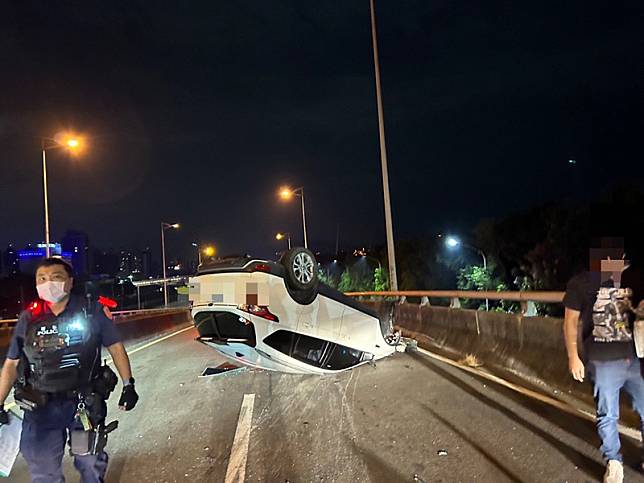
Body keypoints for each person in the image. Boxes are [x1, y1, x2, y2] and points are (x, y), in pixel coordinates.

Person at [0, 257, 139, 482]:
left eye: (56, 277)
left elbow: (116, 347)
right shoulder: (29, 318)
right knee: (43, 469)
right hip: (40, 409)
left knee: (90, 463)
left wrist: (128, 385)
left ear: (70, 282)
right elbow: (11, 364)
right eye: (42, 279)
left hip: (82, 406)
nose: (49, 283)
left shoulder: (91, 311)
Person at [563, 240, 644, 483]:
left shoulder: (631, 281)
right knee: (608, 413)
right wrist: (573, 356)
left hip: (634, 359)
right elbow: (570, 321)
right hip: (602, 360)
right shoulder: (581, 283)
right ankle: (614, 461)